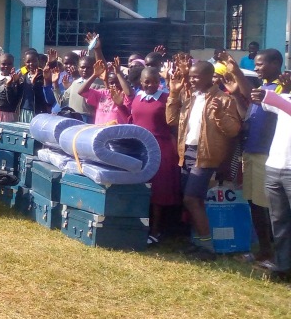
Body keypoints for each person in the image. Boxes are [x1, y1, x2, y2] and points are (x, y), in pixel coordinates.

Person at [166, 58, 244, 260]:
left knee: (191, 199)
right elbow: (171, 120)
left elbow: (233, 130)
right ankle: (198, 242)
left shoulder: (224, 100)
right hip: (187, 153)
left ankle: (207, 246)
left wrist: (219, 114)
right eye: (191, 76)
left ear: (210, 77)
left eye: (196, 77)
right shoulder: (191, 98)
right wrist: (173, 94)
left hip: (206, 155)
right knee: (194, 201)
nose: (191, 80)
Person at [126, 65, 181, 244]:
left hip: (161, 148)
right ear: (141, 82)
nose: (150, 85)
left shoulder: (166, 98)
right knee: (141, 188)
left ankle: (156, 231)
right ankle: (138, 226)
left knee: (158, 191)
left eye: (155, 82)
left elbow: (174, 125)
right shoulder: (137, 98)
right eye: (147, 82)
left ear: (160, 82)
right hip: (139, 148)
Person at [241, 49, 282, 264]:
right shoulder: (262, 88)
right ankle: (264, 249)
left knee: (267, 206)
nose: (256, 68)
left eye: (260, 64)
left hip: (266, 155)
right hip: (251, 152)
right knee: (254, 203)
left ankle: (276, 253)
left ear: (275, 64)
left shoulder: (281, 89)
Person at [250, 69, 291, 281]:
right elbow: (264, 103)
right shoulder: (286, 96)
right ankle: (283, 267)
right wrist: (282, 91)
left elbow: (280, 104)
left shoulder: (284, 99)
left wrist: (277, 95)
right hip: (275, 166)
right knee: (279, 220)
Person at [76, 60, 132, 125]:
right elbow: (81, 92)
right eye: (111, 83)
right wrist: (94, 75)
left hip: (117, 129)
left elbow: (129, 93)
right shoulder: (102, 93)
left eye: (118, 82)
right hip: (100, 129)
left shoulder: (124, 94)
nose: (114, 85)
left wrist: (118, 73)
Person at [0, 53, 25, 140]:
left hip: (7, 114)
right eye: (3, 64)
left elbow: (13, 102)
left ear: (13, 65)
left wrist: (11, 85)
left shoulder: (16, 80)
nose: (6, 66)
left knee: (5, 140)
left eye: (9, 64)